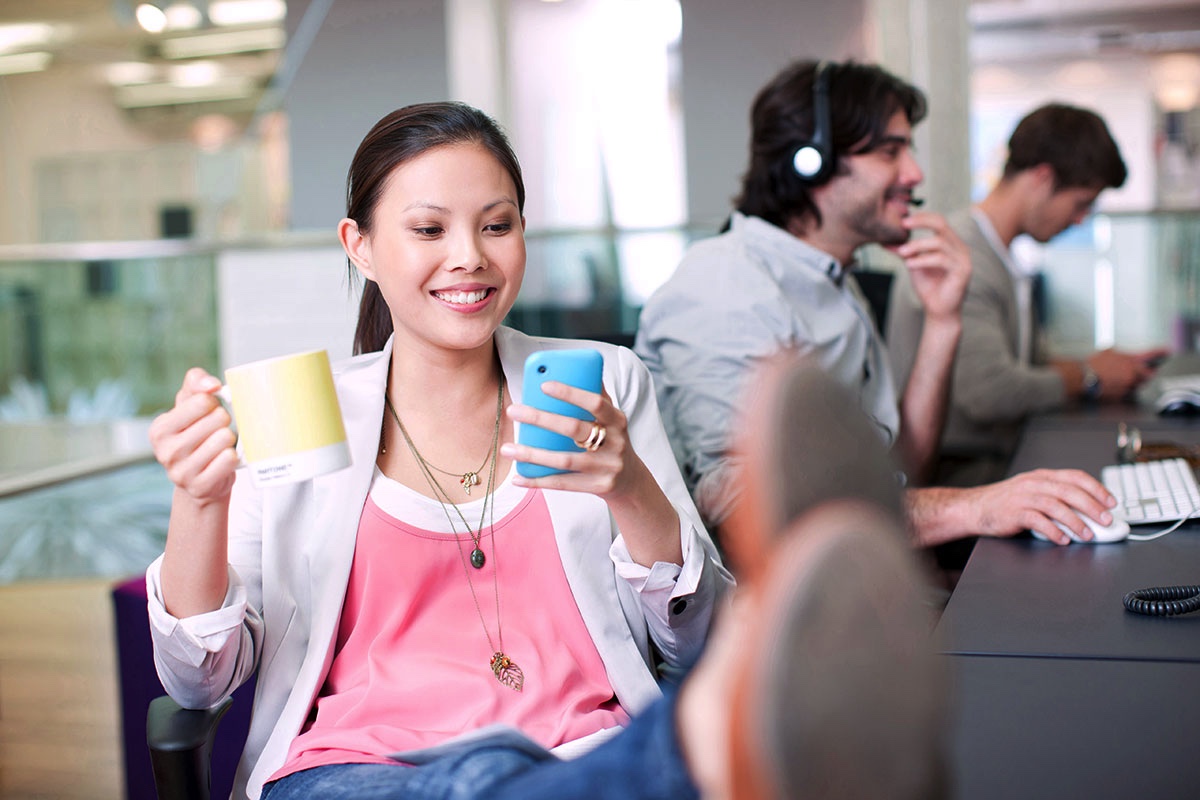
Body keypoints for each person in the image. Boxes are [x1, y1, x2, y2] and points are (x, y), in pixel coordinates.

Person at [147, 100, 733, 800]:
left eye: (498, 225)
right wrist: (199, 501)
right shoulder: (304, 411)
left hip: (580, 752)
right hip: (357, 771)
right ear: (358, 245)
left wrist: (630, 489)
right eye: (429, 228)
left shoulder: (602, 385)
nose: (470, 257)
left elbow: (696, 642)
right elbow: (198, 679)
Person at [634, 59, 1120, 551]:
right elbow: (755, 512)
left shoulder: (840, 286)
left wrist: (942, 322)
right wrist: (975, 508)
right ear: (811, 161)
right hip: (789, 616)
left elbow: (902, 471)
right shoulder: (725, 286)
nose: (915, 172)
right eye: (890, 152)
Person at [489, 353, 948, 800]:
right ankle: (725, 721)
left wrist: (631, 488)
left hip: (613, 742)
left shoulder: (613, 382)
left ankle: (734, 712)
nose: (469, 267)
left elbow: (690, 638)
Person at [887, 103, 1168, 486]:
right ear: (1041, 178)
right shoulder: (960, 256)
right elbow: (992, 392)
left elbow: (1029, 365)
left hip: (997, 456)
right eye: (1081, 203)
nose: (1081, 219)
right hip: (958, 473)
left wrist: (1103, 367)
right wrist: (1090, 377)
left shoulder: (1001, 256)